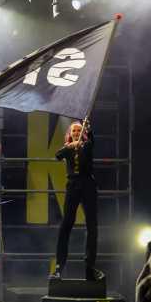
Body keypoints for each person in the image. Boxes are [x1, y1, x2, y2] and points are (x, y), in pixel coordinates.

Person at [53, 120, 102, 281]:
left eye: (79, 130)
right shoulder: (68, 148)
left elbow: (92, 142)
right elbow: (57, 156)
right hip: (73, 185)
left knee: (92, 225)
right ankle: (60, 265)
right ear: (70, 133)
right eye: (73, 131)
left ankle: (90, 266)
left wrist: (88, 127)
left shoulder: (87, 145)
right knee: (66, 223)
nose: (76, 133)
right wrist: (68, 146)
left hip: (88, 184)